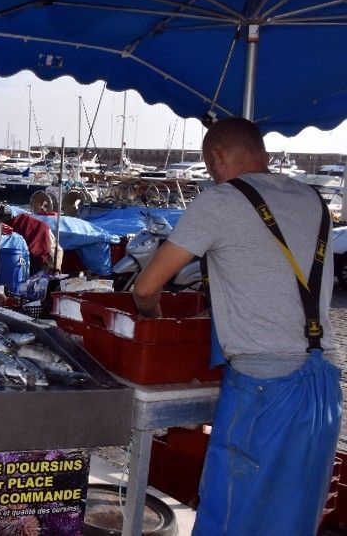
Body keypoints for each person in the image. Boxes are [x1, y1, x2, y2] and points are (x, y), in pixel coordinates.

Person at [133, 116, 341, 535]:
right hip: (325, 381)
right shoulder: (313, 199)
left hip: (265, 386)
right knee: (294, 515)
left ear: (216, 157)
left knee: (232, 513)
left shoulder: (222, 200)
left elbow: (145, 286)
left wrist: (152, 315)